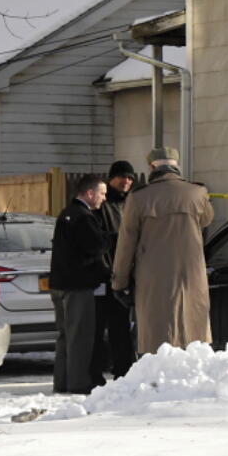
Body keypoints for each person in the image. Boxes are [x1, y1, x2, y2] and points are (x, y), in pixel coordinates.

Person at [111, 147, 215, 355]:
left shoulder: (139, 197)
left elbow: (126, 243)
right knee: (194, 337)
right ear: (177, 166)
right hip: (192, 275)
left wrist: (119, 282)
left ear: (151, 167)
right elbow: (207, 219)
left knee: (157, 339)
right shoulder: (198, 192)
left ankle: (158, 381)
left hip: (153, 278)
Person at [49, 174, 109, 394]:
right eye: (102, 193)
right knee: (80, 336)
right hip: (77, 286)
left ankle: (62, 382)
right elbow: (95, 247)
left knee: (65, 335)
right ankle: (78, 384)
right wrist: (110, 237)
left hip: (59, 285)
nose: (104, 198)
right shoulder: (83, 217)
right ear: (90, 193)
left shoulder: (66, 214)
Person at [91, 160, 136, 383]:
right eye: (122, 177)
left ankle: (124, 370)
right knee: (103, 327)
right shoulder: (103, 205)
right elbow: (98, 240)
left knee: (122, 327)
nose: (126, 181)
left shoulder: (132, 202)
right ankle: (98, 373)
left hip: (127, 274)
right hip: (108, 275)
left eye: (129, 177)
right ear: (111, 178)